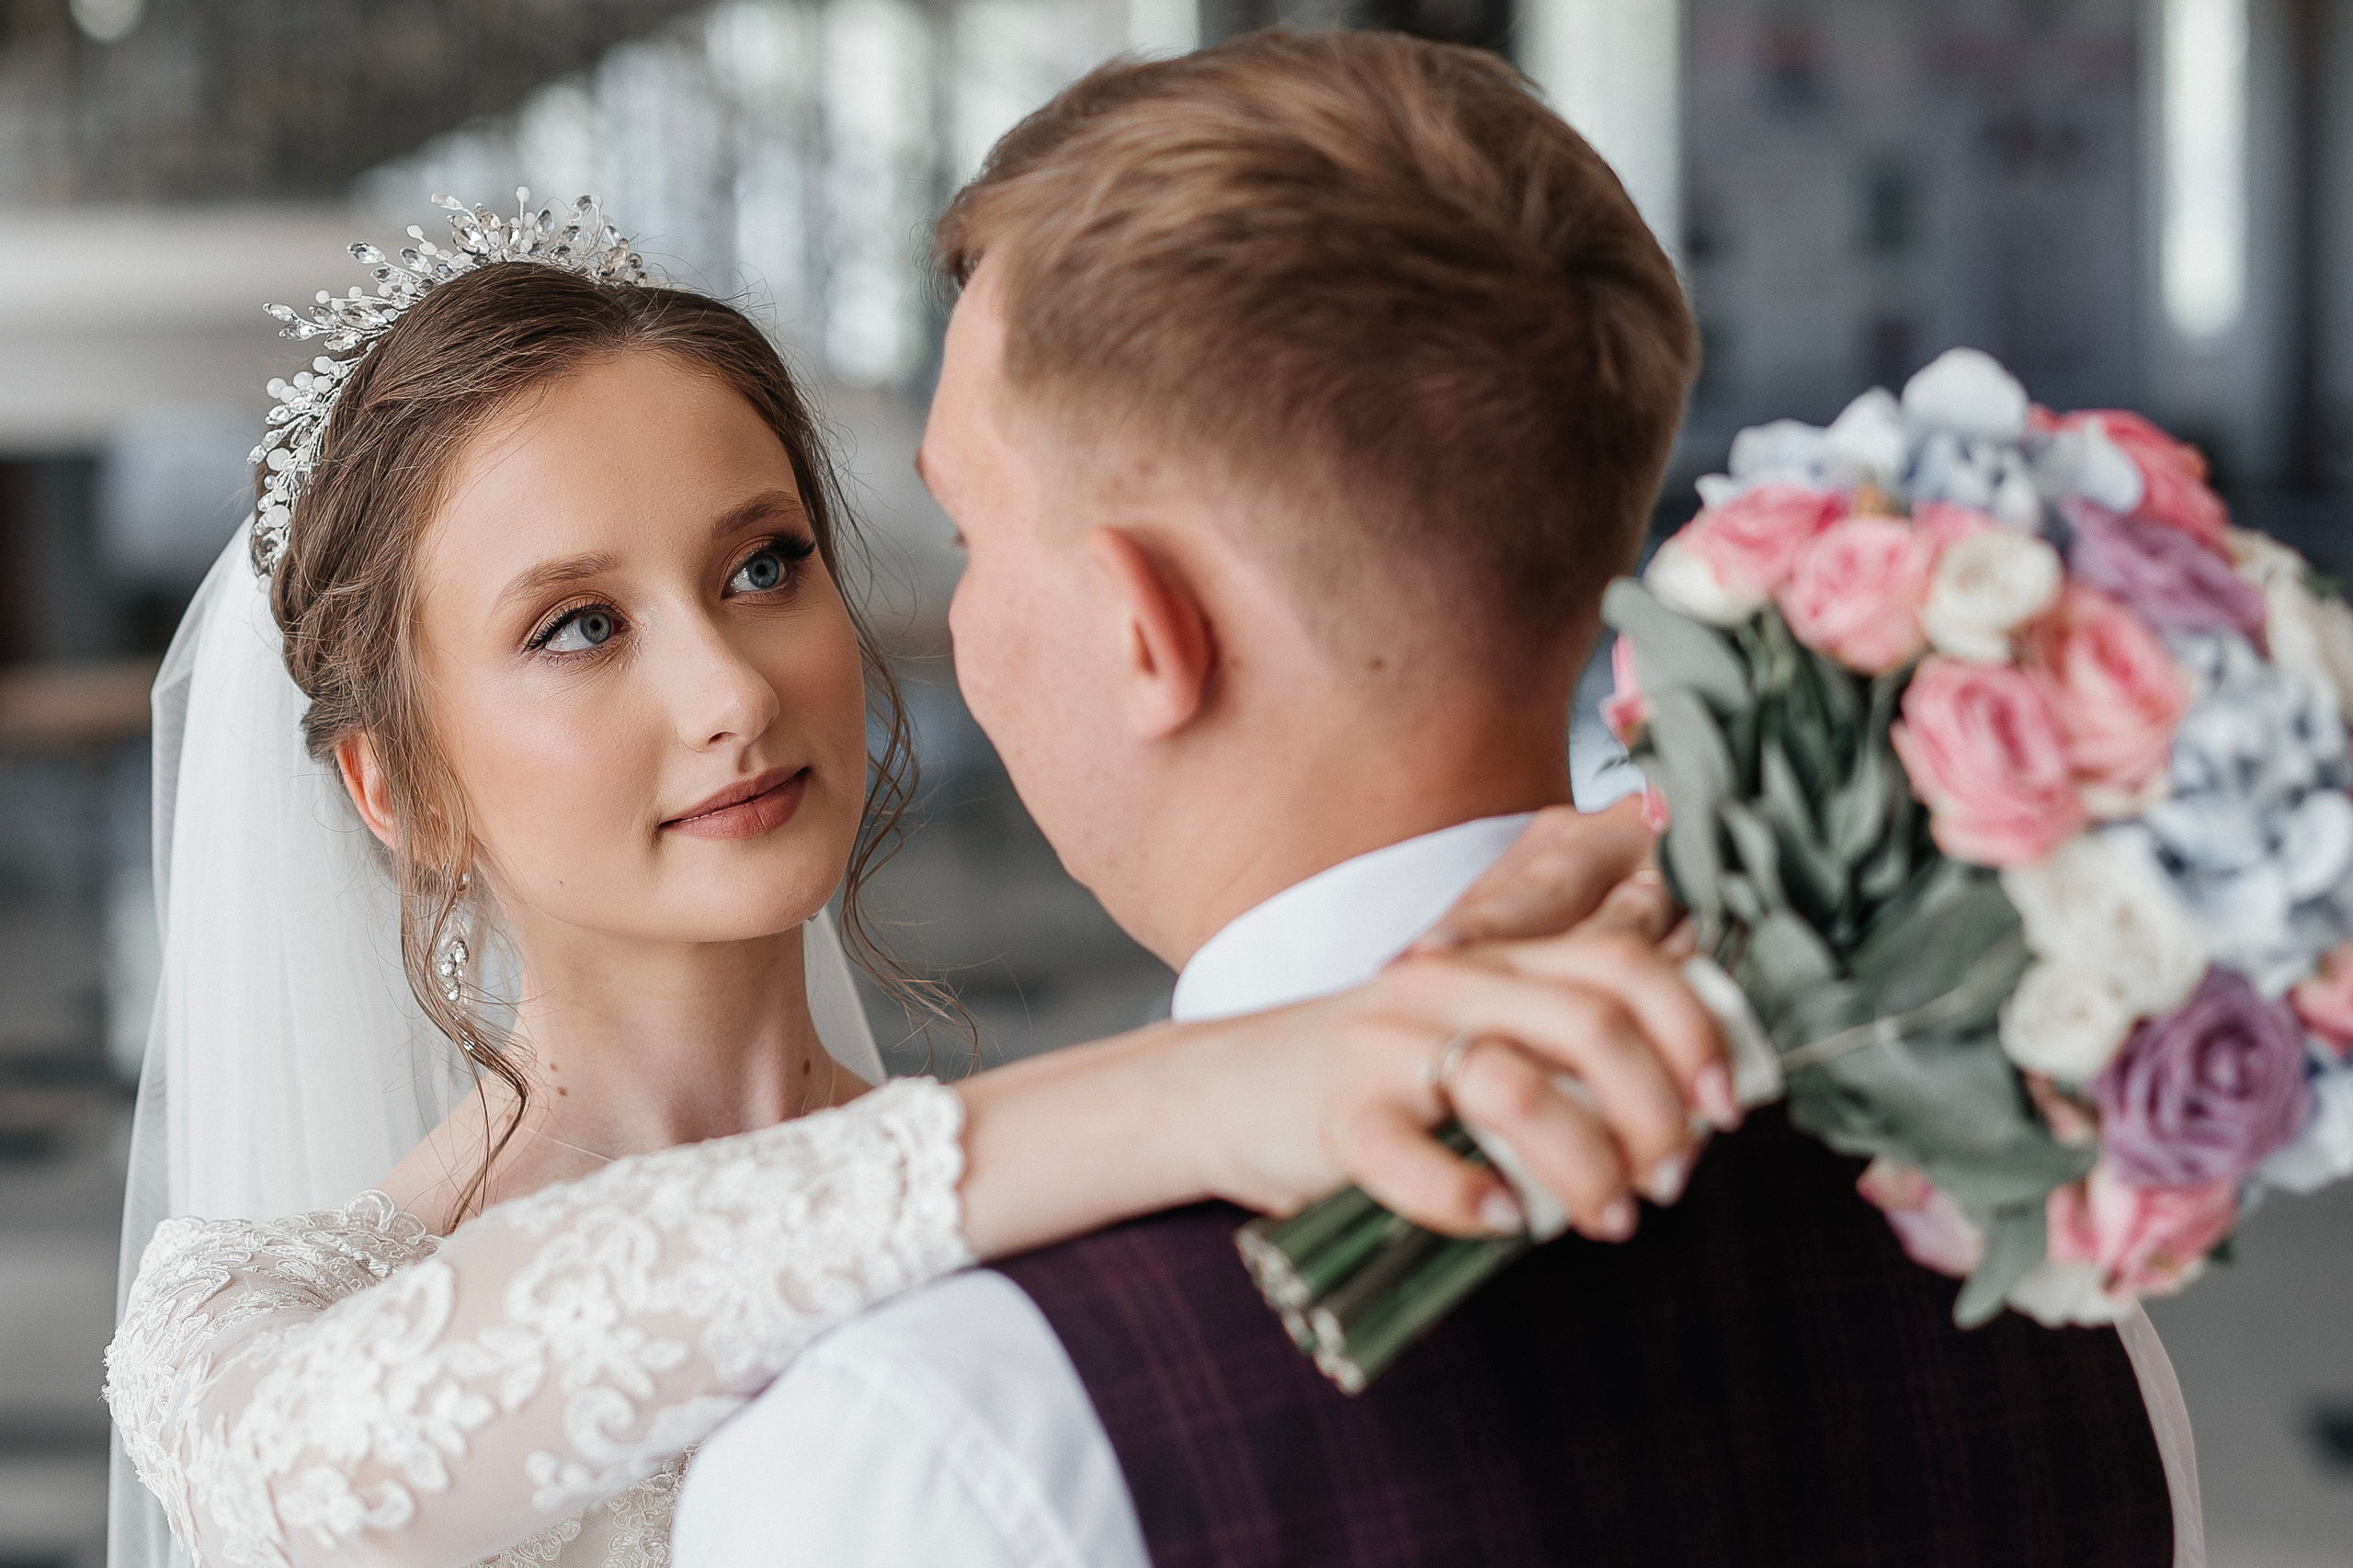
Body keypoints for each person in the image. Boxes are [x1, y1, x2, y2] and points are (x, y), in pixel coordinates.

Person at [673, 30, 2191, 1568]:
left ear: (1149, 630)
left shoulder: (933, 1437)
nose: (955, 612)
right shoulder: (2058, 1296)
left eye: (970, 531)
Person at [103, 188, 1727, 1568]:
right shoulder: (249, 1318)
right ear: (405, 791)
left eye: (763, 566)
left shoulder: (1078, 1198)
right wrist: (1205, 1090)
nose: (733, 690)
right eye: (579, 625)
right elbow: (328, 1459)